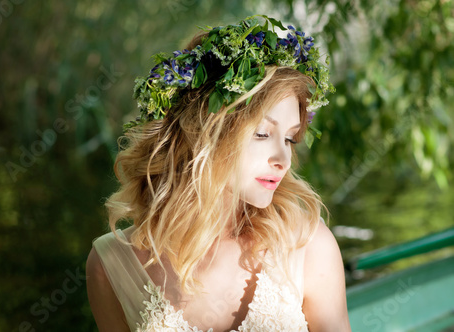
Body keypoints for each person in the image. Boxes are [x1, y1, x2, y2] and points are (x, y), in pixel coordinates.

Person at [86, 15, 351, 332]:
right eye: (263, 134)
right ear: (204, 132)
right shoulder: (111, 265)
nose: (283, 157)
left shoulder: (308, 248)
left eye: (290, 138)